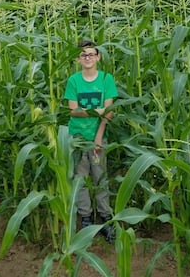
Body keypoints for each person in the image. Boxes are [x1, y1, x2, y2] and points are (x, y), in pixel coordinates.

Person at [63, 39, 118, 242]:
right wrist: (98, 110)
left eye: (91, 54)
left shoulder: (106, 79)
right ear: (78, 59)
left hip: (98, 139)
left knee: (100, 178)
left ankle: (105, 218)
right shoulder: (74, 81)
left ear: (98, 56)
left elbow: (109, 112)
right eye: (83, 55)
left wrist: (98, 137)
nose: (87, 58)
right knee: (80, 179)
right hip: (77, 139)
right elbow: (73, 111)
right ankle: (85, 217)